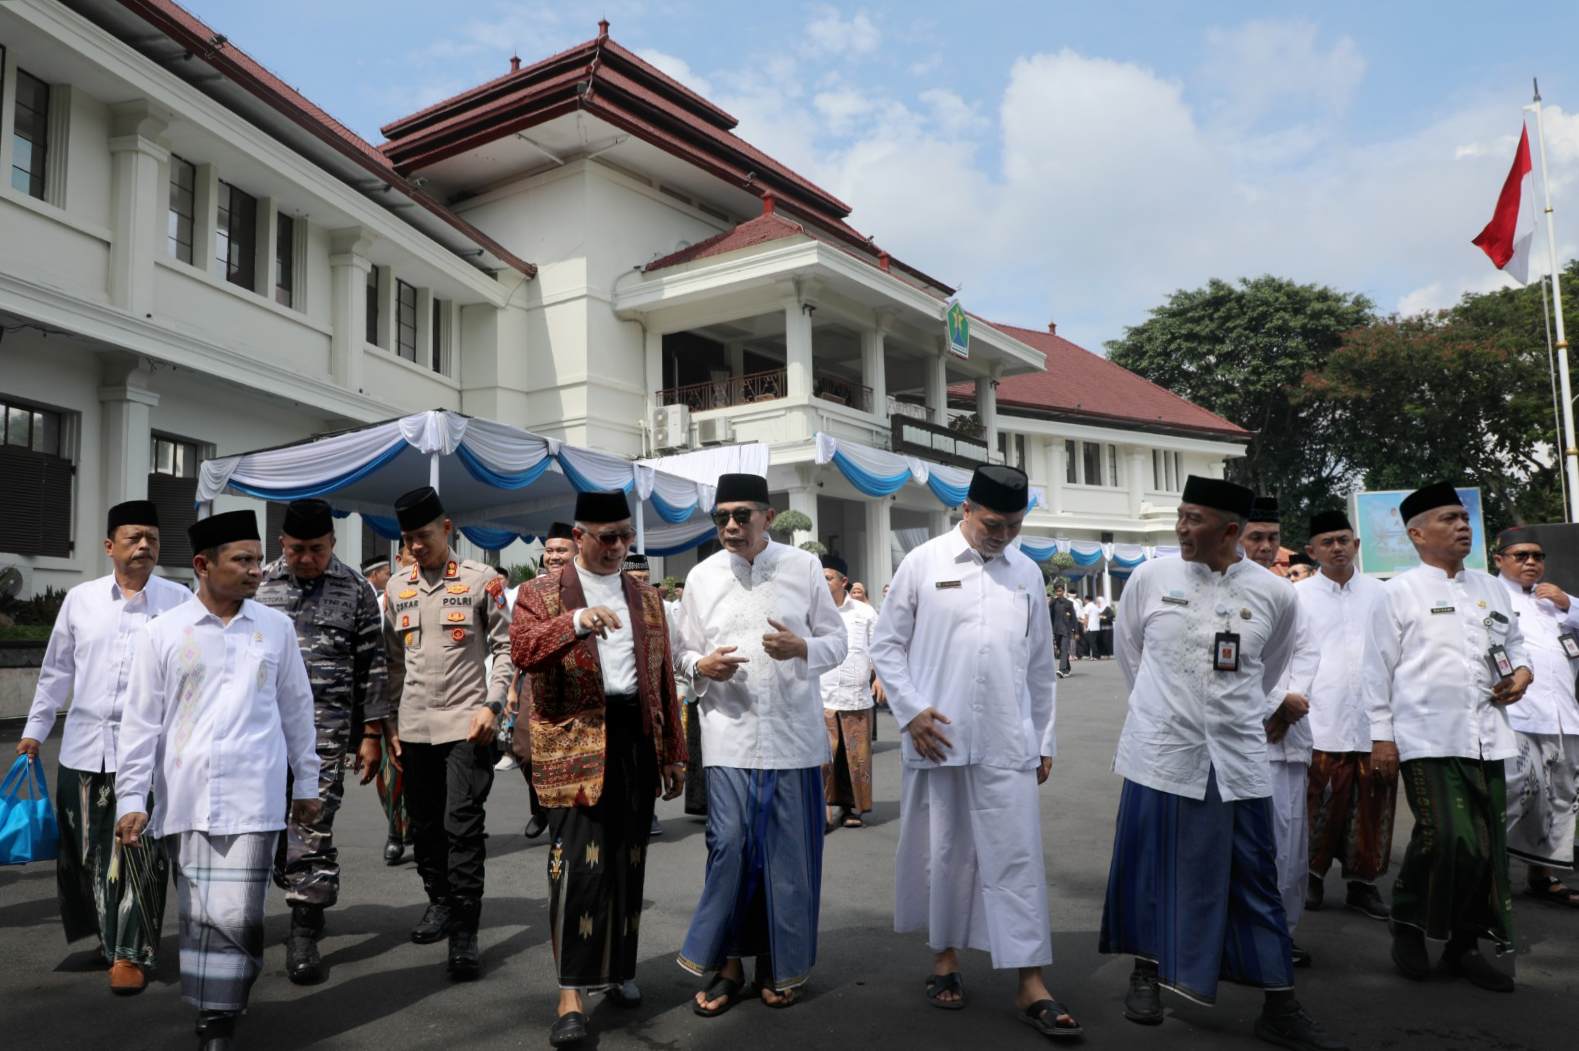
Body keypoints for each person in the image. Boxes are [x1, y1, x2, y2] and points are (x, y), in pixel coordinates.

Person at [1100, 476, 1344, 1051]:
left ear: (1230, 530)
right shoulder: (1150, 578)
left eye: (1195, 520)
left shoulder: (1275, 594)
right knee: (1150, 869)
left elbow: (1270, 667)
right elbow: (1130, 654)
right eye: (1180, 516)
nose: (1181, 529)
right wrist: (1166, 714)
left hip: (1236, 759)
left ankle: (1279, 1004)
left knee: (1255, 878)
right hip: (1161, 754)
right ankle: (1146, 974)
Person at [871, 465, 1077, 1039]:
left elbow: (1040, 664)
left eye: (1013, 526)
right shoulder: (923, 563)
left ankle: (1031, 981)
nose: (1002, 535)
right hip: (936, 738)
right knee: (942, 852)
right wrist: (911, 711)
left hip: (1009, 739)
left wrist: (1044, 737)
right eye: (992, 524)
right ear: (965, 509)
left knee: (1017, 857)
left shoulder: (1027, 573)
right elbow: (886, 645)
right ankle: (944, 960)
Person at [113, 510, 320, 1050]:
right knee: (201, 913)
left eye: (258, 560)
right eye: (243, 560)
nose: (256, 570)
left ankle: (219, 1015)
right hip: (187, 796)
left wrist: (307, 784)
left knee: (238, 912)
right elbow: (140, 723)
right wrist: (131, 797)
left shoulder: (274, 629)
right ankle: (216, 1007)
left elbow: (298, 710)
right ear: (204, 565)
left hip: (255, 796)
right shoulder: (163, 633)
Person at [510, 490, 686, 1046]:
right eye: (607, 537)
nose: (617, 547)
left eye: (625, 536)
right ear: (579, 536)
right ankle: (570, 994)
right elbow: (522, 651)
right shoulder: (540, 593)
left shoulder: (646, 596)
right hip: (574, 743)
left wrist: (673, 751)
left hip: (635, 736)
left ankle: (619, 970)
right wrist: (576, 622)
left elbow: (661, 677)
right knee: (579, 868)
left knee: (629, 861)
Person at [673, 473, 847, 1013]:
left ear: (768, 517)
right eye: (721, 516)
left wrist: (803, 648)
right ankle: (727, 965)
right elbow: (680, 654)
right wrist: (701, 666)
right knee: (729, 848)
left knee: (787, 858)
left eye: (741, 515)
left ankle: (779, 963)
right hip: (727, 736)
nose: (730, 525)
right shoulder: (700, 576)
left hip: (793, 738)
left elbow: (838, 641)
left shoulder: (803, 568)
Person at [17, 500, 191, 994]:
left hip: (149, 755)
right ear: (110, 546)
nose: (144, 546)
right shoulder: (81, 600)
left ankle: (132, 953)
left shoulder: (180, 601)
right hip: (84, 749)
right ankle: (108, 939)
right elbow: (57, 671)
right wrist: (34, 729)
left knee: (140, 852)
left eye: (152, 538)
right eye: (134, 538)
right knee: (89, 855)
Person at [1363, 483, 1532, 992]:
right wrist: (1381, 738)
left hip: (1489, 736)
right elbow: (1376, 670)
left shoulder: (1491, 587)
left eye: (1464, 517)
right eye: (1449, 518)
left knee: (1485, 847)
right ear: (1417, 534)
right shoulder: (1398, 592)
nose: (1463, 526)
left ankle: (1464, 945)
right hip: (1427, 736)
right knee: (1447, 836)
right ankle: (1409, 920)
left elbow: (1515, 644)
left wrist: (1522, 673)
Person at [255, 498, 390, 985]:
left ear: (332, 542)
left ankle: (304, 929)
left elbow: (373, 664)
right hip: (260, 731)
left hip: (324, 732)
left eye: (317, 549)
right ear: (281, 544)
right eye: (297, 549)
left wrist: (370, 734)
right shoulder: (258, 585)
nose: (307, 558)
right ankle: (273, 889)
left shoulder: (355, 588)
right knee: (263, 825)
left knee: (311, 826)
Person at [383, 485, 513, 980]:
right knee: (424, 827)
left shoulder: (483, 581)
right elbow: (393, 662)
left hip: (467, 725)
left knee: (462, 826)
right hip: (414, 727)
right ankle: (438, 900)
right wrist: (389, 723)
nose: (416, 546)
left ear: (446, 528)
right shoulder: (397, 588)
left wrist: (493, 705)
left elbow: (505, 649)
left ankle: (464, 929)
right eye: (408, 539)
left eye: (424, 536)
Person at [1297, 511, 1393, 923]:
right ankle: (1310, 877)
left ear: (1357, 544)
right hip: (1320, 719)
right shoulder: (1297, 597)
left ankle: (1362, 884)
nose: (1337, 548)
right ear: (1312, 551)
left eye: (1343, 540)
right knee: (1317, 804)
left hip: (1375, 722)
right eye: (1327, 542)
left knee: (1372, 807)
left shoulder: (1383, 594)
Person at [1243, 495, 1315, 967]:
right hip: (1244, 738)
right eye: (1256, 537)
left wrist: (1292, 702)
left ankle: (1280, 935)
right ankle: (1240, 937)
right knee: (1250, 847)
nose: (1267, 547)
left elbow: (1308, 652)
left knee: (1290, 847)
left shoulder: (1289, 593)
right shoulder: (1221, 589)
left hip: (1289, 736)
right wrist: (1273, 703)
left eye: (1273, 538)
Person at [1491, 527, 1579, 905]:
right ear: (1499, 560)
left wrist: (1566, 603)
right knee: (1516, 792)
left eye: (1537, 556)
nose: (1531, 562)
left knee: (1560, 795)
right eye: (1521, 555)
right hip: (1518, 714)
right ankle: (1486, 875)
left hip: (1563, 715)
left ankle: (1542, 876)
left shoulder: (1552, 599)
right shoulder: (1489, 595)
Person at [819, 553, 879, 831]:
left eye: (828, 577)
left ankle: (852, 808)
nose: (822, 582)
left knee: (855, 758)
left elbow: (880, 648)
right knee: (823, 758)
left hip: (856, 697)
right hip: (821, 696)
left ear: (843, 581)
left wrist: (880, 679)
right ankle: (822, 810)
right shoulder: (812, 611)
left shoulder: (864, 612)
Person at [375, 542, 416, 864]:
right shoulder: (381, 602)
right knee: (391, 770)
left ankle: (412, 826)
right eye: (411, 556)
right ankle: (394, 831)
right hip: (391, 697)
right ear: (399, 559)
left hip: (430, 698)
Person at [1049, 581, 1079, 679]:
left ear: (1063, 591)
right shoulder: (1053, 602)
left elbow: (1074, 618)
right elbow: (1049, 616)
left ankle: (1061, 669)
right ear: (1055, 592)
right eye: (1057, 591)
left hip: (1066, 630)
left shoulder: (1069, 603)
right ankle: (1067, 668)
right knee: (1062, 650)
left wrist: (1076, 632)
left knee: (1064, 648)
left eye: (1060, 591)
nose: (1059, 593)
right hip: (1056, 630)